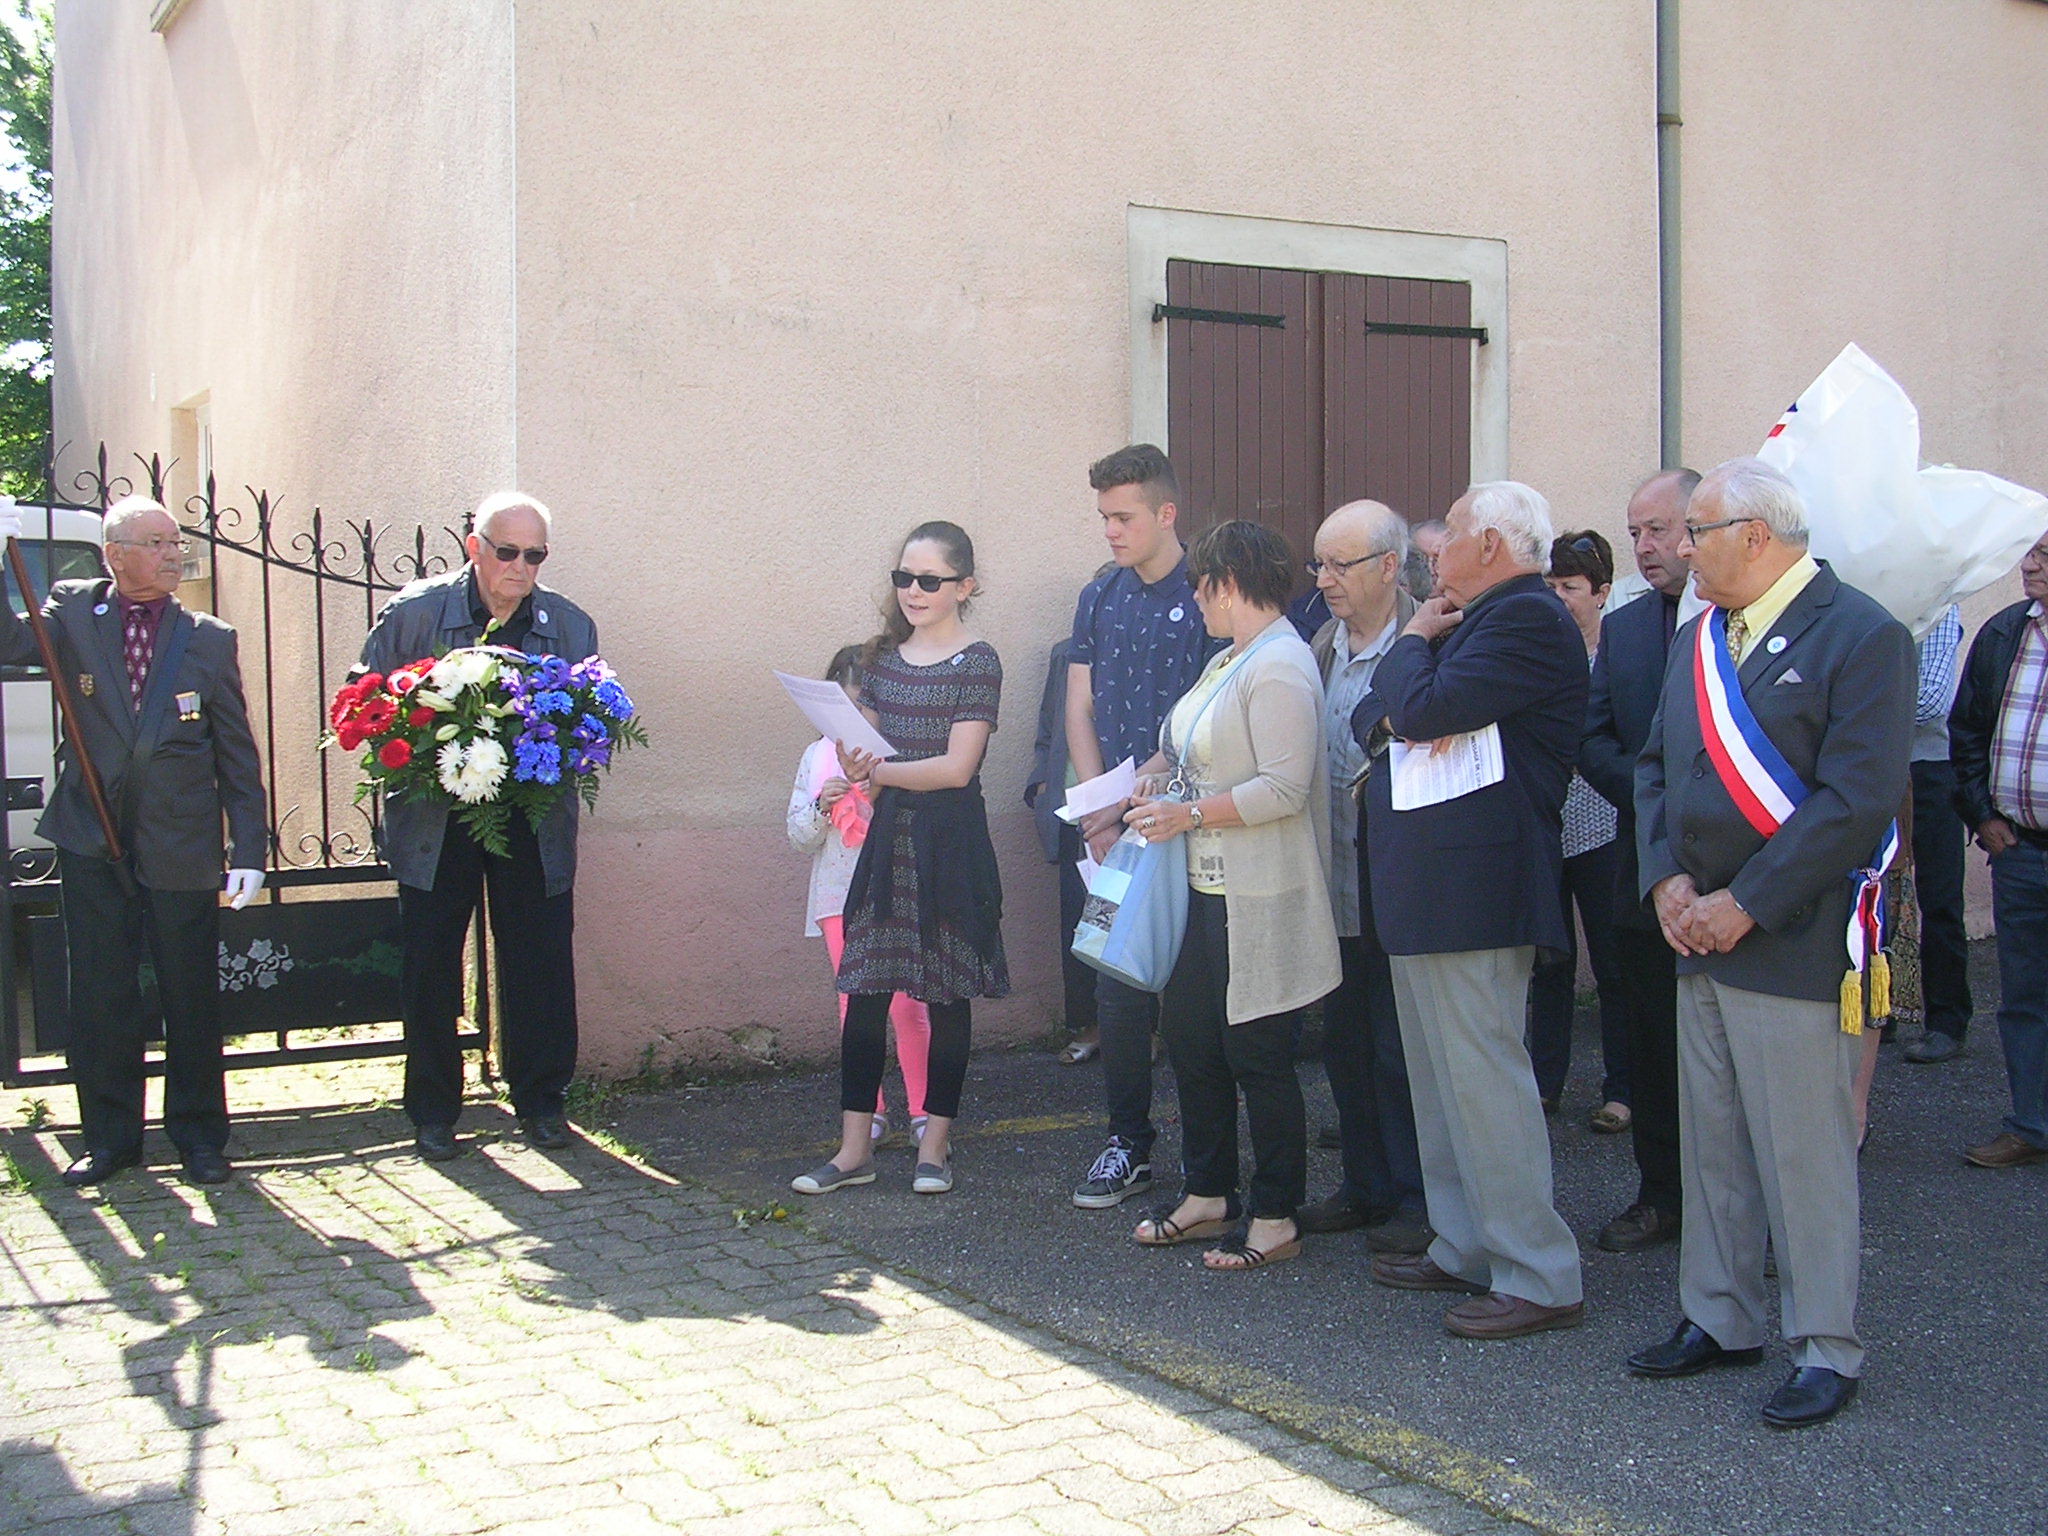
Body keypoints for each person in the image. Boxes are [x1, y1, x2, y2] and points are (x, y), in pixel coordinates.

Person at [1626, 457, 1913, 1430]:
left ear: (1752, 535)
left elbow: (1854, 799)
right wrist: (1664, 879)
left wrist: (1743, 902)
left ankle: (1824, 1344)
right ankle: (1719, 1315)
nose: (1674, 550)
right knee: (1710, 1143)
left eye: (1690, 532)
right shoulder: (1699, 635)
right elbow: (1655, 767)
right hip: (1693, 929)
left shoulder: (1861, 634)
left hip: (1786, 938)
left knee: (1802, 1155)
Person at [1352, 482, 1588, 1340]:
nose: (1432, 552)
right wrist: (1413, 689)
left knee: (1486, 1081)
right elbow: (1375, 721)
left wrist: (1412, 642)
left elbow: (1413, 708)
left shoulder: (1523, 618)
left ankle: (1537, 1270)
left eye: (1447, 534)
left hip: (1478, 889)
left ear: (1490, 542)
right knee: (1441, 1079)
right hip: (1433, 884)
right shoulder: (1479, 621)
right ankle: (1464, 1243)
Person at [0, 495, 265, 1187]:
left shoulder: (208, 637)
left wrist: (248, 851)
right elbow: (8, 641)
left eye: (176, 541)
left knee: (190, 995)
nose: (174, 552)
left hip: (180, 843)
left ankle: (202, 1137)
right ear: (115, 554)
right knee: (100, 994)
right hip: (93, 835)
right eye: (156, 541)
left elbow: (237, 754)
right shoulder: (72, 614)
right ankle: (111, 1139)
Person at [1124, 520, 1340, 1270]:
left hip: (1257, 892)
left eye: (1200, 585)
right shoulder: (1230, 659)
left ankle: (1276, 1213)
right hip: (1202, 890)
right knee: (1193, 1046)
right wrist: (1152, 783)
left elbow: (1284, 787)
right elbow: (1188, 748)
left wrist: (1186, 812)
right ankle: (1209, 1193)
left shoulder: (1278, 663)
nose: (1195, 599)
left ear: (1225, 581)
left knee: (1257, 1055)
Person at [359, 491, 597, 1162]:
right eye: (508, 552)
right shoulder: (412, 617)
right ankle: (434, 1112)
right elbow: (368, 704)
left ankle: (542, 1101)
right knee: (431, 965)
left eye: (537, 555)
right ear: (474, 547)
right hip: (436, 819)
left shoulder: (569, 626)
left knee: (539, 962)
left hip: (532, 820)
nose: (522, 568)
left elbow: (585, 720)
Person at [791, 521, 1005, 1197]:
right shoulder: (880, 660)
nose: (913, 590)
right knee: (864, 995)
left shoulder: (978, 661)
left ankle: (933, 1147)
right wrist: (859, 762)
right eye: (903, 577)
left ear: (964, 587)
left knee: (945, 994)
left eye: (930, 580)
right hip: (888, 841)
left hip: (949, 840)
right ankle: (853, 1149)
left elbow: (957, 768)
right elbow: (870, 752)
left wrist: (880, 771)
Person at [1064, 445, 1219, 1210]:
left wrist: (1144, 787)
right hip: (1113, 823)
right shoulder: (1100, 596)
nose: (1111, 532)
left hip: (1186, 821)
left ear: (1166, 514)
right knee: (1117, 987)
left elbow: (1210, 709)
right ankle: (1128, 1144)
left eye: (1122, 517)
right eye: (1103, 518)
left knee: (1190, 998)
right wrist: (1098, 805)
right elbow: (1079, 703)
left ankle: (1207, 1160)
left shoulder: (1208, 596)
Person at [1296, 500, 1429, 1253]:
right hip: (1334, 874)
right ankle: (1365, 1185)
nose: (1323, 580)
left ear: (1388, 566)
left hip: (1400, 880)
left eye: (1338, 564)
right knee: (1345, 1042)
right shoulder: (1320, 644)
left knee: (1400, 1046)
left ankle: (1417, 1198)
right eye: (1318, 563)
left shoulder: (1427, 638)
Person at [1579, 469, 1698, 1253]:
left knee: (1734, 1063)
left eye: (1658, 530)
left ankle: (1747, 1214)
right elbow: (1591, 742)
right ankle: (1663, 1197)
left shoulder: (1743, 623)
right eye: (1634, 534)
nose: (1644, 548)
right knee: (1655, 1049)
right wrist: (1656, 797)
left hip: (1744, 885)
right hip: (1645, 876)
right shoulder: (1624, 631)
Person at [787, 644, 931, 1144]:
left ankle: (923, 1110)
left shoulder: (898, 755)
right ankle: (867, 1111)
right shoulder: (815, 757)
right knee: (854, 1002)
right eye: (839, 710)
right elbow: (799, 837)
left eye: (861, 710)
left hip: (893, 889)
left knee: (907, 1005)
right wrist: (823, 808)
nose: (849, 723)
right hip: (836, 896)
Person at [1949, 529, 2048, 1168]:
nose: (2029, 564)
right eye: (2030, 552)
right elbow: (1967, 731)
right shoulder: (2005, 633)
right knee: (2025, 999)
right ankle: (2031, 1126)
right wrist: (1982, 816)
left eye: (2044, 555)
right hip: (2020, 853)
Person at [1530, 530, 1631, 1131]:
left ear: (1601, 592)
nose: (1558, 597)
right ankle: (1544, 1083)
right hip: (1546, 826)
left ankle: (1621, 1089)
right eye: (1550, 586)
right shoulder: (1540, 652)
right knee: (1549, 964)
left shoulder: (1618, 655)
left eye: (1569, 587)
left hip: (1602, 825)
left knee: (1614, 961)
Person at [1900, 605, 1974, 1064]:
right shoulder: (1869, 589)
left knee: (1940, 897)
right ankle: (1877, 1012)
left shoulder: (1940, 603)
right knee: (1870, 894)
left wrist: (1858, 710)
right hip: (1875, 765)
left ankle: (1947, 1020)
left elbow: (1929, 701)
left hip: (1929, 768)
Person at [1025, 633, 1100, 1063]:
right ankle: (1087, 1025)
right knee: (1078, 925)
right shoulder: (1066, 654)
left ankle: (1139, 1027)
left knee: (1126, 925)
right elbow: (1048, 728)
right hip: (1073, 812)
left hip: (1122, 810)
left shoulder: (1141, 651)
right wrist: (1040, 785)